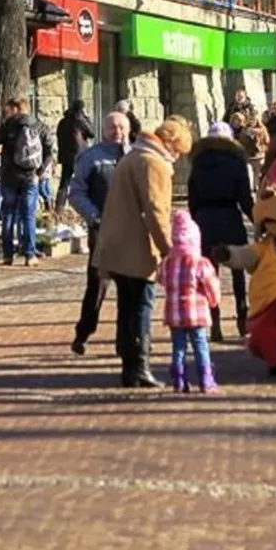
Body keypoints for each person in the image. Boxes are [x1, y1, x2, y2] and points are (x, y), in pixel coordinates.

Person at [95, 115, 193, 388]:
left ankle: (130, 365)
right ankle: (139, 365)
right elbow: (156, 211)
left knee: (126, 305)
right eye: (179, 151)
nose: (178, 158)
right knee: (141, 305)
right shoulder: (153, 162)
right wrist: (169, 249)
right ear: (171, 144)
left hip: (117, 244)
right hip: (136, 247)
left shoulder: (133, 156)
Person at [66, 112, 129, 355]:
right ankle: (83, 332)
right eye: (113, 127)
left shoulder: (134, 155)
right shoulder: (91, 157)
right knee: (97, 284)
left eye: (122, 127)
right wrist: (94, 216)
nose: (118, 132)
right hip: (102, 230)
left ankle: (125, 340)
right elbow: (76, 193)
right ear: (104, 130)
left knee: (129, 287)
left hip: (130, 231)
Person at [187, 121, 254, 342]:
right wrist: (257, 220)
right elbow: (245, 197)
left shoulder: (198, 162)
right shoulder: (236, 161)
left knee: (209, 273)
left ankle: (215, 321)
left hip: (205, 218)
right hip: (230, 217)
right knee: (237, 271)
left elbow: (192, 197)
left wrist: (196, 219)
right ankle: (242, 317)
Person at [0, 96, 55, 267]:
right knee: (28, 216)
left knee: (8, 214)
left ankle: (8, 255)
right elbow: (50, 150)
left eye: (9, 109)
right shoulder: (39, 125)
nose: (7, 112)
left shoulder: (8, 125)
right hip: (31, 177)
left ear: (15, 109)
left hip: (9, 177)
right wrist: (39, 172)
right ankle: (30, 255)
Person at [157, 210, 221, 393]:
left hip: (174, 314)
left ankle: (179, 379)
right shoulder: (200, 263)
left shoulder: (167, 263)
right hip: (196, 314)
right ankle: (205, 379)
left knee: (178, 347)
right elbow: (211, 285)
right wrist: (214, 301)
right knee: (200, 344)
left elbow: (161, 279)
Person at [56, 100, 95, 202]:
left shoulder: (63, 121)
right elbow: (92, 133)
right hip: (80, 155)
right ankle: (90, 206)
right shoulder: (79, 121)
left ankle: (58, 210)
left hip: (66, 156)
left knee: (64, 183)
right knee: (87, 181)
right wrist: (87, 118)